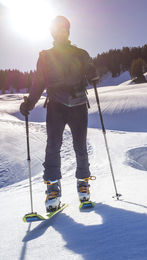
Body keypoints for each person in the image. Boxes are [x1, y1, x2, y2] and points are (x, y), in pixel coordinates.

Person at [20, 16, 99, 212]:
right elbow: (39, 82)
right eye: (56, 29)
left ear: (67, 31)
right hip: (56, 106)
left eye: (63, 28)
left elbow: (91, 70)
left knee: (80, 146)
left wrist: (93, 74)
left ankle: (83, 185)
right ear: (52, 32)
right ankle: (53, 189)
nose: (60, 31)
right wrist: (30, 102)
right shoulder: (45, 56)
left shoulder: (81, 53)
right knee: (53, 146)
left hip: (79, 104)